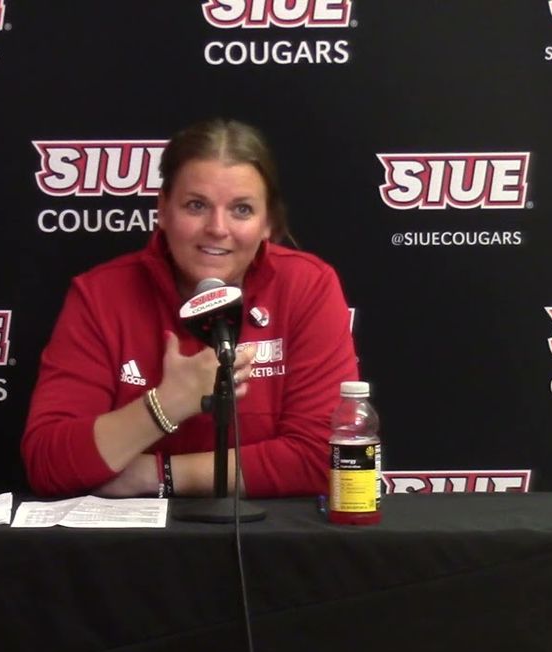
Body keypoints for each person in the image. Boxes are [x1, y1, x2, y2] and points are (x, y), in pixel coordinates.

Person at [22, 119, 359, 498]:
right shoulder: (101, 294)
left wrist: (159, 475)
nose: (217, 228)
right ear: (163, 210)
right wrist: (167, 404)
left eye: (242, 209)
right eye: (196, 205)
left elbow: (326, 457)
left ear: (269, 223)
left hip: (266, 534)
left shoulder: (307, 286)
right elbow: (48, 461)